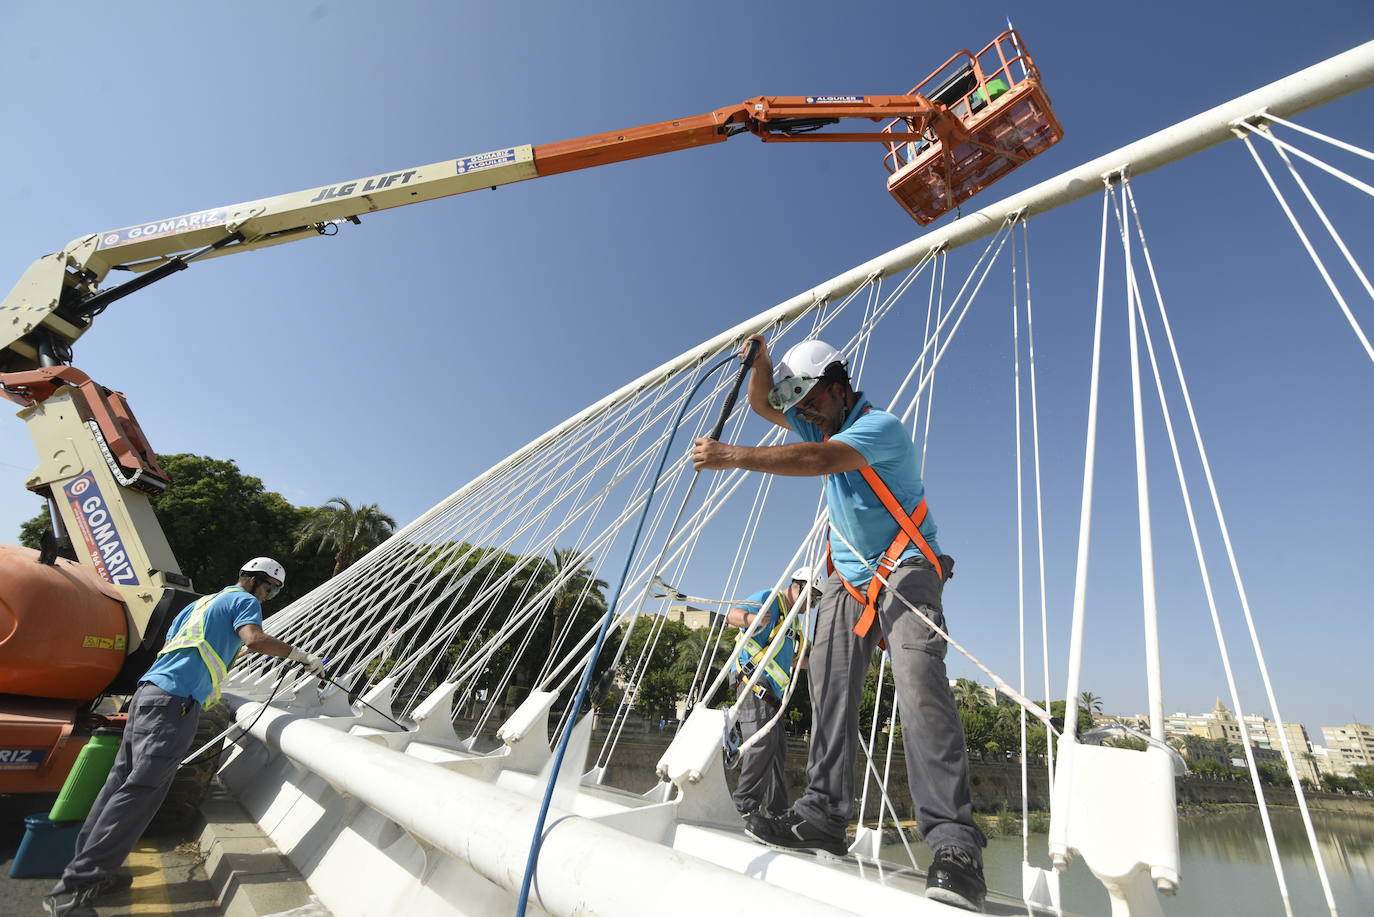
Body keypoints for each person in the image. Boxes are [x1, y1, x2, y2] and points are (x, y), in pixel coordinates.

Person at [692, 336, 987, 912]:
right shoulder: (817, 421)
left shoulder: (880, 429)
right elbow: (762, 406)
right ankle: (824, 815)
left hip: (906, 568)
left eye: (809, 405)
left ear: (836, 387)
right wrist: (763, 364)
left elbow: (819, 462)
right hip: (847, 582)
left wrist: (732, 456)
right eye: (799, 408)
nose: (802, 417)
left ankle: (954, 844)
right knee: (828, 688)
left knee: (918, 682)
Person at [44, 558, 324, 917]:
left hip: (148, 695)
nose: (269, 597)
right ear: (253, 581)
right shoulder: (244, 601)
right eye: (269, 588)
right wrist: (301, 656)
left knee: (119, 786)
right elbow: (254, 640)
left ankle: (90, 871)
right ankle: (75, 887)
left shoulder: (200, 603)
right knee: (140, 793)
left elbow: (176, 644)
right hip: (175, 703)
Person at [724, 568, 817, 818]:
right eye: (811, 597)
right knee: (762, 742)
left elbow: (798, 661)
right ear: (796, 587)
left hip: (772, 693)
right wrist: (753, 620)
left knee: (777, 747)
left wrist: (823, 661)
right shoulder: (770, 598)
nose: (811, 605)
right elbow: (731, 615)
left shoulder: (794, 623)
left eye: (815, 600)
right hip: (752, 680)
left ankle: (777, 812)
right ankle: (744, 807)